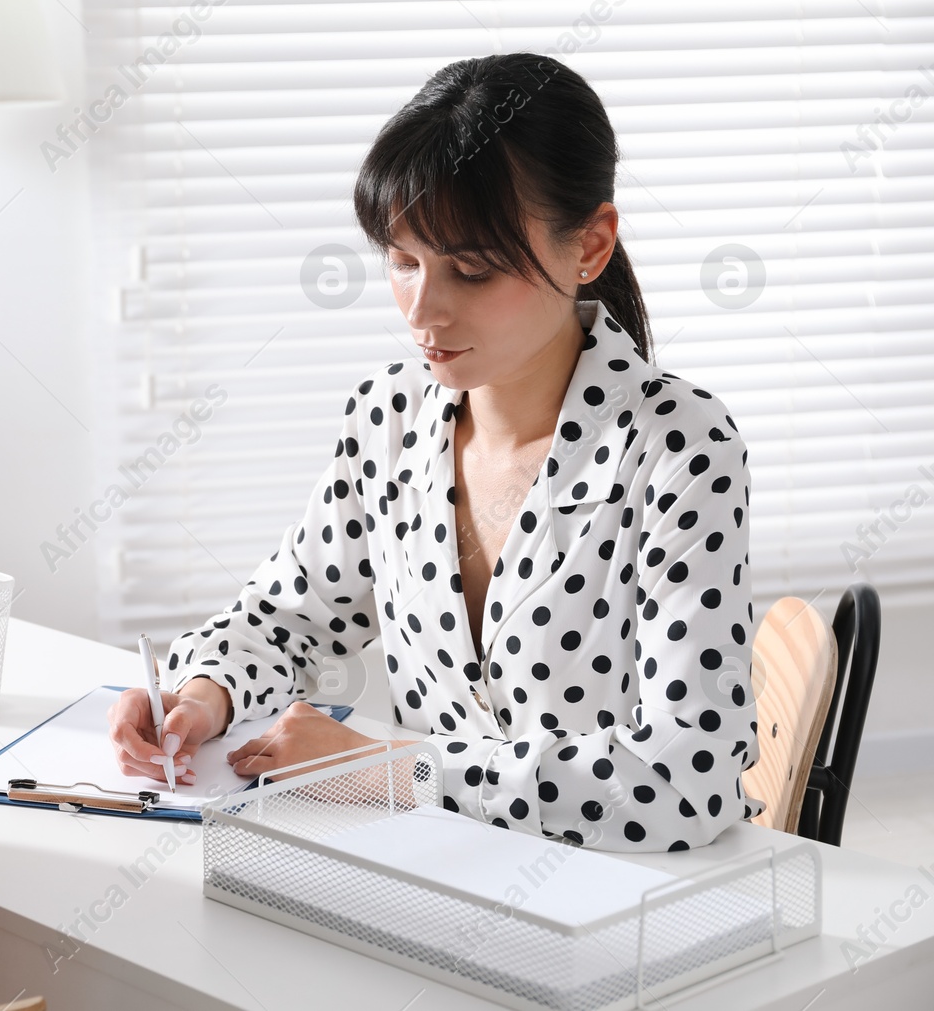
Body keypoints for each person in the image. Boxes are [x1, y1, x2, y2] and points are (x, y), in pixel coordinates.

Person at [108, 52, 764, 852]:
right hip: (433, 874)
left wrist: (393, 767)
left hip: (627, 901)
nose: (424, 310)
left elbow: (685, 779)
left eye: (474, 270)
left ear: (589, 246)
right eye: (404, 260)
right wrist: (203, 692)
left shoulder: (679, 448)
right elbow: (281, 619)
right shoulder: (389, 419)